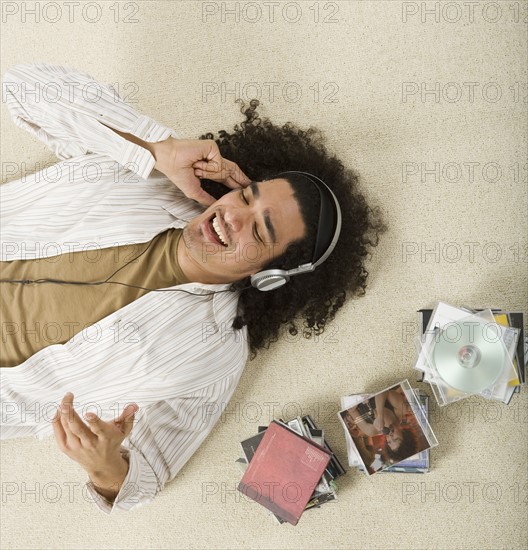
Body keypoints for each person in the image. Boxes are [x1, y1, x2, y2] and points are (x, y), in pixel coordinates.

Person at [0, 62, 385, 513]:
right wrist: (156, 147)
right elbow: (20, 86)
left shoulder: (214, 356)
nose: (232, 218)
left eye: (258, 233)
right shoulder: (143, 174)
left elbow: (147, 476)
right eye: (245, 196)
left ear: (271, 277)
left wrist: (104, 465)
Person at [347, 389, 419, 468]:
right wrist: (380, 415)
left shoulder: (371, 431)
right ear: (405, 435)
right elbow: (382, 390)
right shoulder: (401, 409)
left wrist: (357, 403)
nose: (390, 437)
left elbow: (352, 411)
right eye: (395, 439)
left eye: (389, 442)